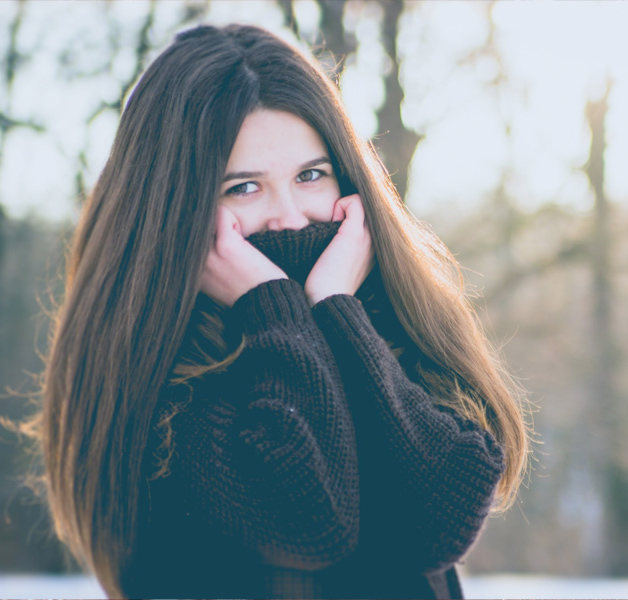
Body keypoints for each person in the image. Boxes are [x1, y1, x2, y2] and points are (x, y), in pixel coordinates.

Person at [33, 23, 531, 599]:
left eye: (310, 175)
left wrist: (338, 311)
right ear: (177, 206)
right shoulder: (159, 380)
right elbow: (309, 521)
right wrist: (274, 308)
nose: (290, 217)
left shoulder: (386, 316)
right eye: (244, 188)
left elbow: (438, 523)